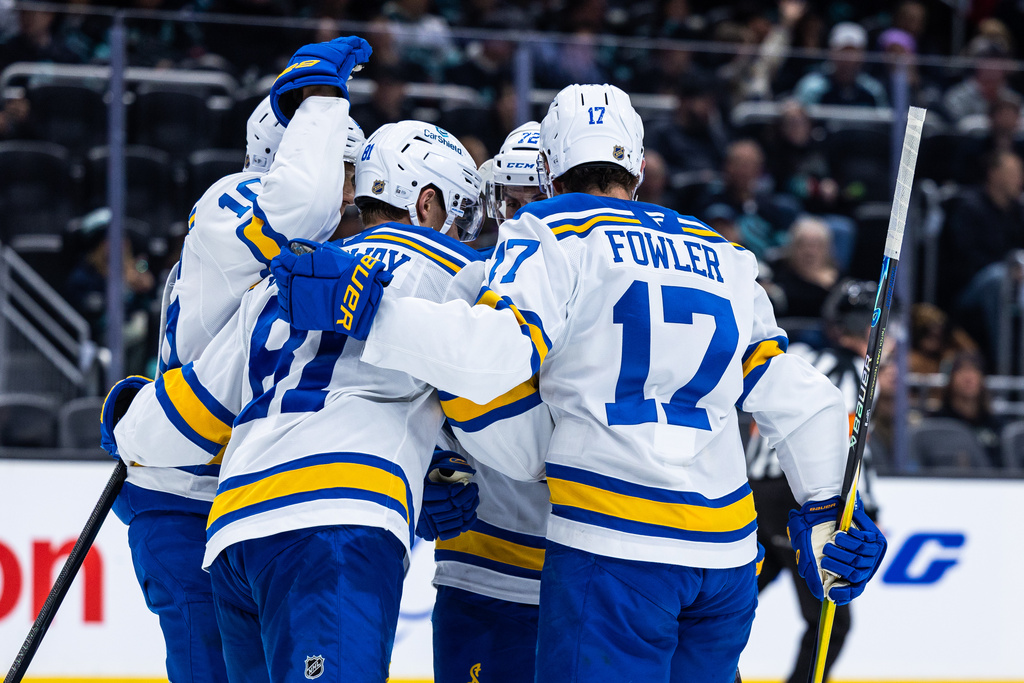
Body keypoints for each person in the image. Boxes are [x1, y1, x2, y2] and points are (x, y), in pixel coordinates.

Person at [277, 83, 889, 682]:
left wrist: (371, 311)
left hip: (615, 545)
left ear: (548, 167)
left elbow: (489, 355)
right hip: (724, 560)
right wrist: (828, 510)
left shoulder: (555, 235)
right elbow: (803, 399)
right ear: (640, 168)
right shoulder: (723, 254)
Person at [106, 117, 490, 682]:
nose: (462, 233)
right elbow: (501, 393)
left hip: (237, 533)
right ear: (427, 203)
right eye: (458, 215)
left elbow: (196, 407)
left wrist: (127, 425)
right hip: (335, 523)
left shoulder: (282, 279)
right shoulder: (464, 277)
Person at [106, 37, 370, 683]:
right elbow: (298, 203)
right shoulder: (233, 202)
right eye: (341, 168)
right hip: (184, 498)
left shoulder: (297, 246)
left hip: (229, 496)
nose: (350, 193)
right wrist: (319, 94)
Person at [430, 122, 552, 683]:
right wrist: (423, 478)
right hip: (481, 576)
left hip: (591, 574)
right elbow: (406, 411)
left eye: (537, 200)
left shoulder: (602, 285)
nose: (523, 216)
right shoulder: (462, 283)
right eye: (512, 200)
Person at [745, 279, 881, 683]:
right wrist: (864, 508)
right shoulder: (860, 372)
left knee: (729, 597)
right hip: (802, 496)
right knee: (830, 621)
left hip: (754, 495)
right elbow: (850, 456)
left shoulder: (796, 353)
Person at [794, 22, 888, 108]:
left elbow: (885, 123)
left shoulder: (873, 90)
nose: (848, 58)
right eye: (842, 51)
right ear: (831, 52)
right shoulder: (811, 87)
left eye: (853, 52)